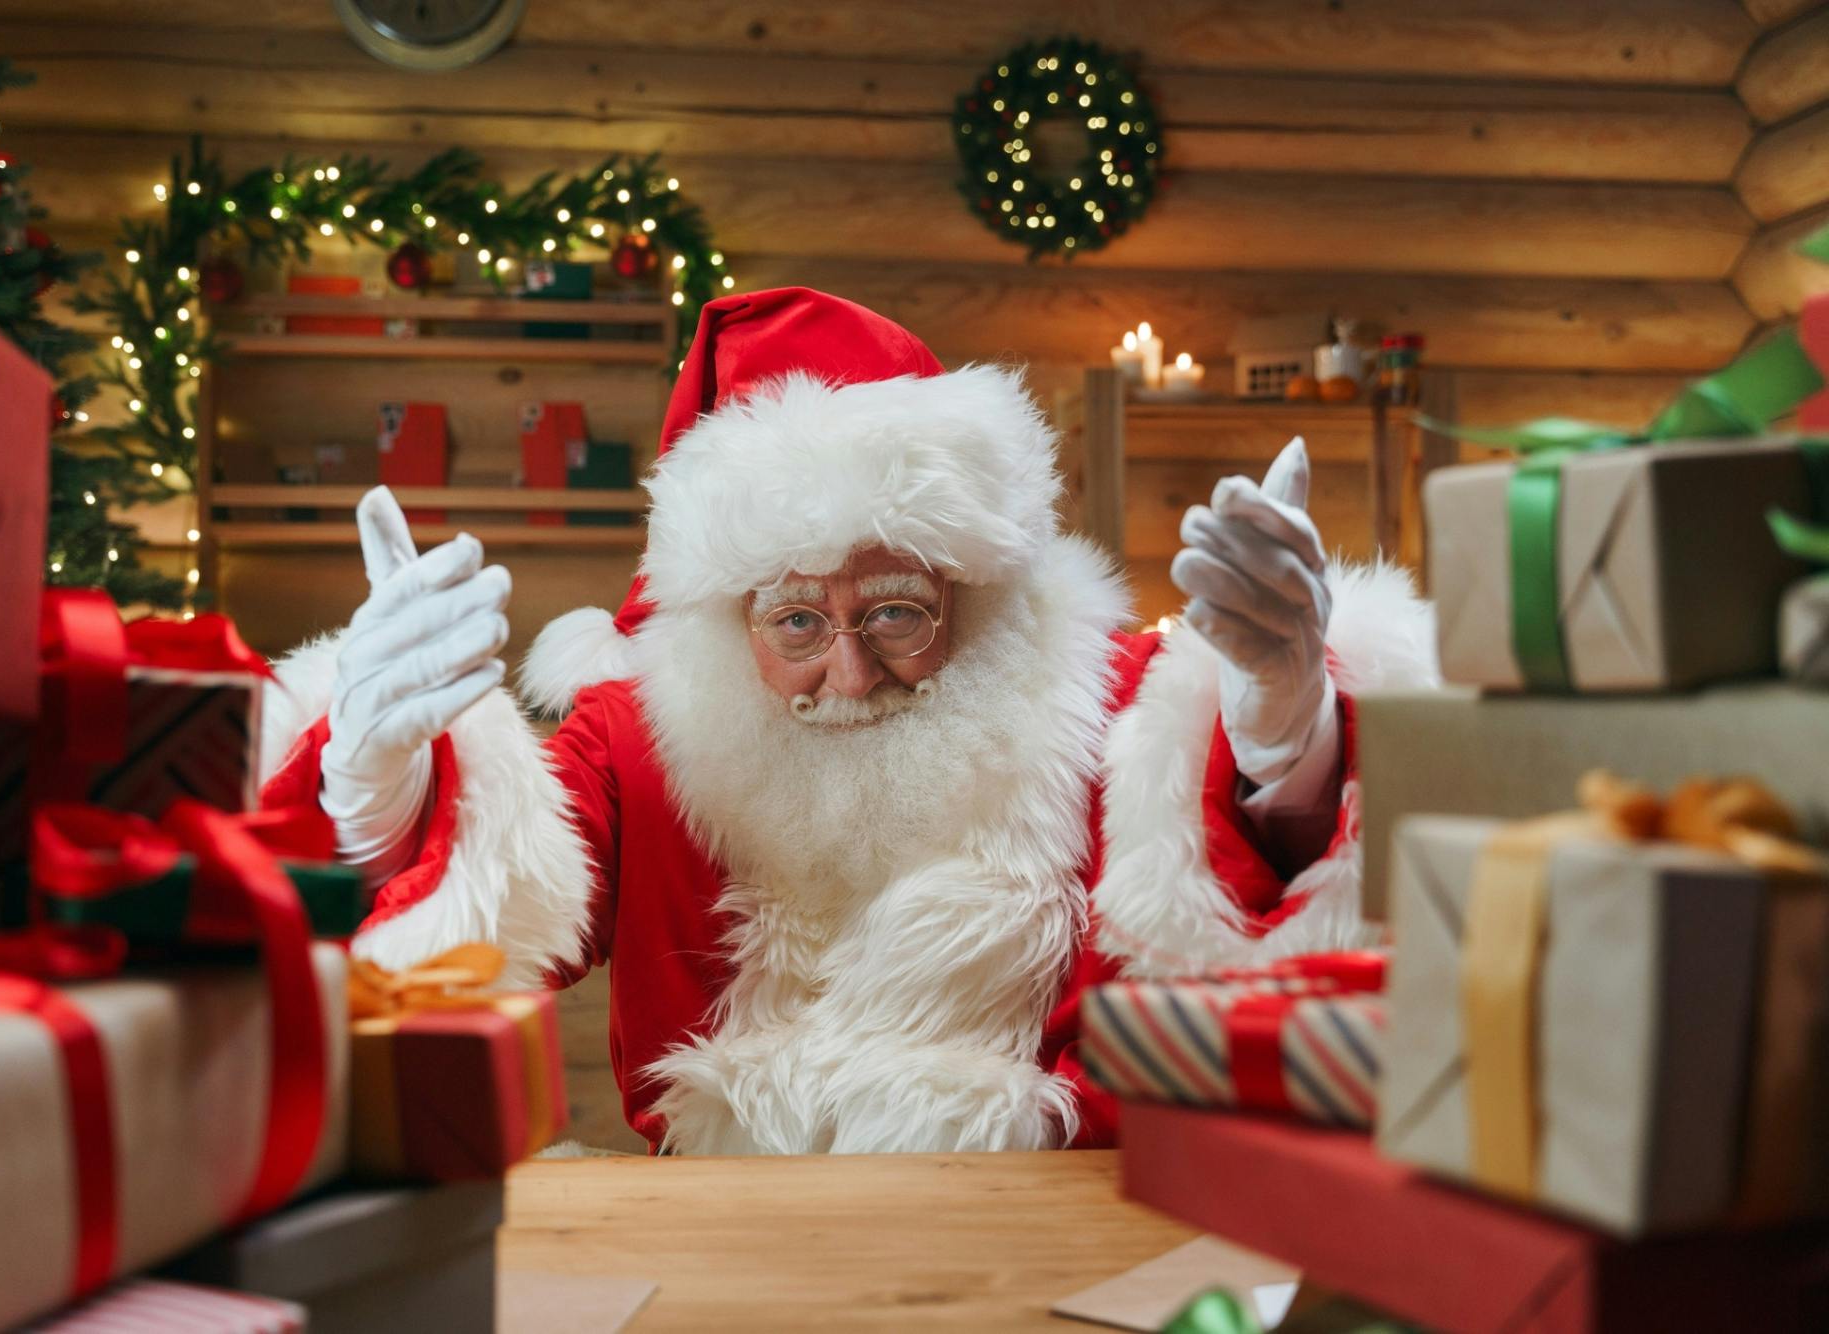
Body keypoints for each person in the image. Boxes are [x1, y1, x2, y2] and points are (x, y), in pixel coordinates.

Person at [261, 288, 1433, 1154]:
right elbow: (494, 900)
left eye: (894, 612)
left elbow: (1252, 875)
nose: (852, 672)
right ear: (728, 621)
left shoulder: (1097, 695)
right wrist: (379, 777)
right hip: (725, 1226)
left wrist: (1282, 718)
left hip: (1044, 1205)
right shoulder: (643, 731)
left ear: (966, 592)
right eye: (795, 625)